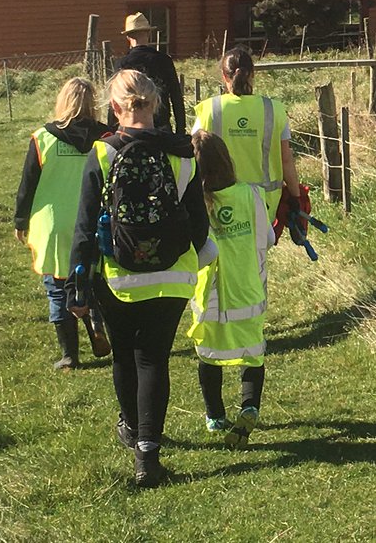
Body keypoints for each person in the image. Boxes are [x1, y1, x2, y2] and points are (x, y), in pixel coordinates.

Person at [69, 69, 212, 488]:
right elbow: (198, 223)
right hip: (173, 273)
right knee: (154, 358)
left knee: (124, 356)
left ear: (114, 108)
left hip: (119, 275)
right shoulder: (184, 153)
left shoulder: (103, 152)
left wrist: (77, 283)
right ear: (157, 104)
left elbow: (84, 226)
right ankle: (149, 455)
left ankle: (131, 430)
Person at [14, 77, 112, 370]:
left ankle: (70, 355)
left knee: (57, 286)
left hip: (53, 225)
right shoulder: (106, 137)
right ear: (92, 103)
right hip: (93, 220)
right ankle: (97, 323)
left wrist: (21, 220)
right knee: (94, 280)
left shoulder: (43, 137)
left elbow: (27, 184)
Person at [189, 130, 275, 448]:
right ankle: (249, 406)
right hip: (249, 289)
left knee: (208, 356)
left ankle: (215, 415)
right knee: (253, 355)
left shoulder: (196, 203)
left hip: (210, 295)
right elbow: (268, 238)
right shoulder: (251, 194)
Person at [192, 46, 301, 219]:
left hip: (221, 201)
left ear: (223, 76)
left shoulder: (210, 109)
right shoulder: (274, 110)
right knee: (258, 246)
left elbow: (194, 156)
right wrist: (296, 196)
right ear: (253, 74)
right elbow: (286, 159)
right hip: (264, 202)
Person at [109, 12, 185, 134]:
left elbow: (115, 99)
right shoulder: (164, 60)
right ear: (148, 34)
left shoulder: (122, 64)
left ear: (128, 37)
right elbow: (176, 97)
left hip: (130, 129)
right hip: (161, 128)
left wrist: (112, 131)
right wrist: (181, 130)